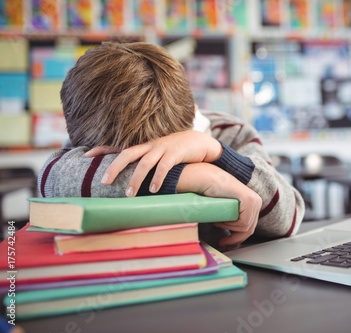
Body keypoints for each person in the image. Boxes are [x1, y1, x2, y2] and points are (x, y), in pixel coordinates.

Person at [38, 41, 305, 248]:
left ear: (190, 121)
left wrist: (219, 155)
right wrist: (195, 175)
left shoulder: (230, 133)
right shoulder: (95, 135)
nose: (144, 160)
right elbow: (50, 179)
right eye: (125, 159)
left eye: (156, 154)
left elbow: (288, 218)